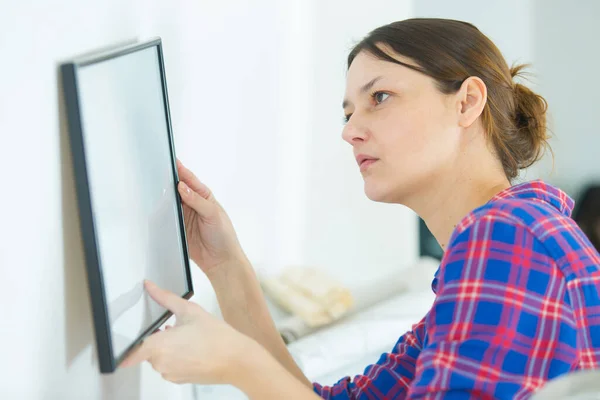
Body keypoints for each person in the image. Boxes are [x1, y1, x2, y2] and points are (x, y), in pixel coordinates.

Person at [122, 18, 600, 399]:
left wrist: (236, 363)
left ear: (466, 103)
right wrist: (226, 266)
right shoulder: (500, 240)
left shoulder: (508, 237)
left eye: (380, 98)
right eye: (348, 113)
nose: (350, 131)